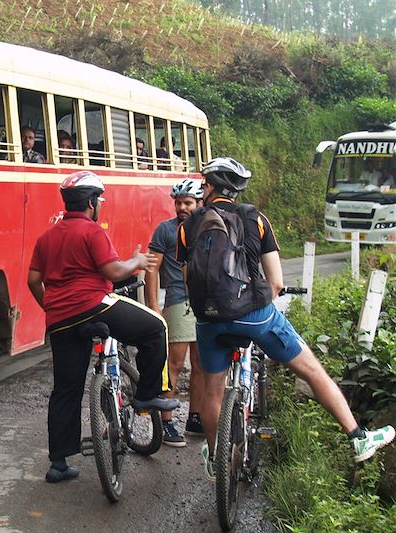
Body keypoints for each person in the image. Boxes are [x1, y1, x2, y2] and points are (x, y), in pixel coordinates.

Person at [175, 157, 395, 479]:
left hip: (208, 319)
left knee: (212, 391)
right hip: (255, 315)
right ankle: (358, 437)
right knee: (312, 370)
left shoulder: (188, 226)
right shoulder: (256, 219)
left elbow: (187, 278)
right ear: (236, 189)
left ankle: (216, 457)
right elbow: (276, 282)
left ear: (209, 187)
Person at [28, 170, 178, 484]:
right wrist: (137, 262)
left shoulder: (47, 236)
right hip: (94, 304)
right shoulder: (91, 231)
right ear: (92, 202)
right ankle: (147, 395)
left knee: (65, 389)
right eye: (100, 200)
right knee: (156, 328)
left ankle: (58, 463)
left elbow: (33, 280)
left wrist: (52, 309)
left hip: (60, 319)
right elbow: (113, 269)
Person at [145, 178, 206, 447]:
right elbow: (151, 268)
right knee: (175, 365)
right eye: (179, 203)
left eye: (188, 203)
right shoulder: (166, 230)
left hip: (205, 304)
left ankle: (195, 417)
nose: (182, 207)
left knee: (202, 365)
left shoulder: (207, 228)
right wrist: (154, 307)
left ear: (199, 203)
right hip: (179, 302)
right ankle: (166, 421)